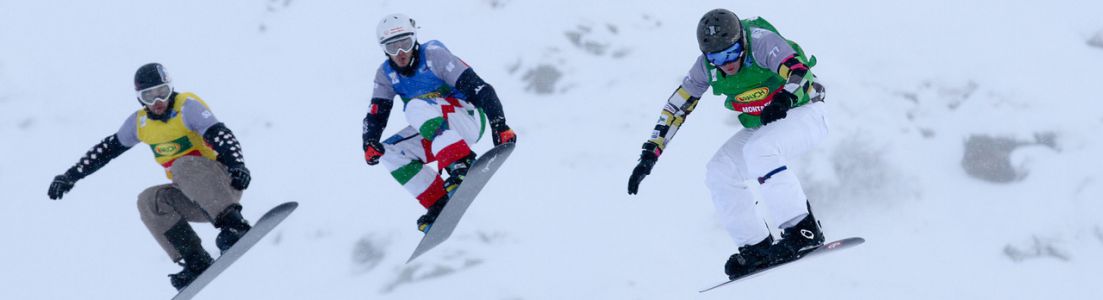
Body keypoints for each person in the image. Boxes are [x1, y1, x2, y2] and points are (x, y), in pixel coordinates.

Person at [626, 9, 829, 279]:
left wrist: (784, 99)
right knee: (720, 170)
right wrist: (650, 154)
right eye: (716, 58)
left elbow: (799, 71)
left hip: (806, 113)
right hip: (767, 123)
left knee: (759, 150)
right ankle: (756, 247)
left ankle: (803, 231)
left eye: (731, 53)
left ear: (741, 42)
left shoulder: (761, 42)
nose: (727, 63)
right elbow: (677, 108)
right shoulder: (706, 68)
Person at [47, 63, 254, 290]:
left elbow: (221, 135)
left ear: (170, 88)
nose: (157, 102)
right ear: (139, 98)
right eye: (148, 96)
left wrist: (237, 166)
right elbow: (107, 149)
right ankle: (195, 258)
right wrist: (71, 176)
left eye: (162, 93)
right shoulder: (140, 123)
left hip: (223, 186)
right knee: (149, 200)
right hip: (196, 200)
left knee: (182, 165)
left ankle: (234, 225)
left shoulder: (186, 107)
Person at [363, 14, 516, 233]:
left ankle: (460, 162)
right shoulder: (386, 74)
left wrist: (499, 124)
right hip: (436, 132)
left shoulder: (434, 56)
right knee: (390, 152)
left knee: (414, 106)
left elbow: (481, 89)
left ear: (414, 39)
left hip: (467, 119)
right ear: (384, 49)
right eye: (392, 47)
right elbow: (377, 113)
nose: (401, 54)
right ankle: (438, 200)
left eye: (405, 44)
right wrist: (369, 142)